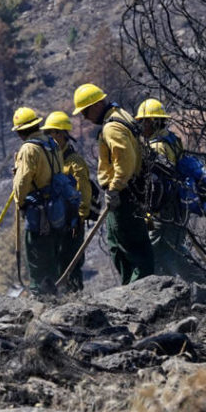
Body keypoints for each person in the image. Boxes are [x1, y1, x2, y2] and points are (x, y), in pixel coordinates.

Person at [72, 83, 154, 284]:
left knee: (132, 246)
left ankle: (141, 292)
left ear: (97, 105)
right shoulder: (122, 116)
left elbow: (124, 162)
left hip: (123, 194)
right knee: (118, 246)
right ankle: (130, 288)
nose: (85, 118)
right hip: (130, 191)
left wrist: (115, 188)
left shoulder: (111, 127)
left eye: (85, 111)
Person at [136, 98, 202, 281]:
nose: (141, 127)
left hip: (166, 209)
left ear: (151, 121)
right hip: (178, 206)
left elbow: (159, 182)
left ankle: (166, 293)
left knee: (157, 252)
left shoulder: (157, 147)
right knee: (176, 252)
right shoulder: (172, 140)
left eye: (142, 122)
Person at [11, 106, 65, 294]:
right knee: (51, 253)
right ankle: (53, 292)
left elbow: (23, 180)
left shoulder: (28, 149)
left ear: (20, 132)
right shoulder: (52, 144)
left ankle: (40, 295)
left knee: (36, 253)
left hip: (38, 211)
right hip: (56, 208)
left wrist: (19, 201)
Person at [41, 111, 91, 292]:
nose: (48, 137)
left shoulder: (75, 162)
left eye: (51, 133)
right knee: (54, 260)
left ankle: (74, 297)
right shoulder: (50, 160)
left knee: (71, 260)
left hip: (72, 221)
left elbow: (84, 190)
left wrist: (81, 217)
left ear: (61, 134)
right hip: (54, 220)